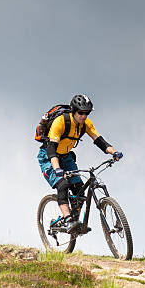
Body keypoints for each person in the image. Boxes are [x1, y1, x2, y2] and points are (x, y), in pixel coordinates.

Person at [37, 94, 123, 233]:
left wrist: (113, 152)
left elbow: (99, 140)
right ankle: (68, 220)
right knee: (62, 184)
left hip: (66, 157)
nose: (84, 116)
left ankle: (75, 219)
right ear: (73, 110)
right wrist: (58, 169)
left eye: (87, 113)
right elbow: (51, 149)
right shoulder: (60, 122)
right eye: (81, 113)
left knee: (79, 189)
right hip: (49, 157)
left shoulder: (86, 124)